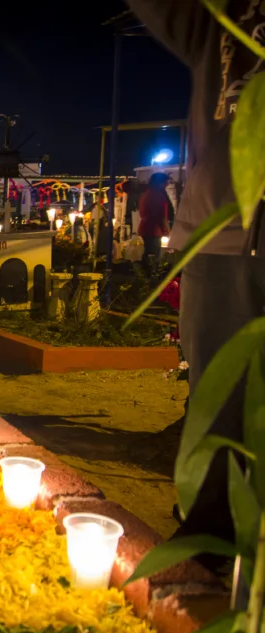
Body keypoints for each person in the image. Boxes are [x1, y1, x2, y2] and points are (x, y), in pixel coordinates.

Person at [126, 0, 265, 552]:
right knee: (219, 394)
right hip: (223, 225)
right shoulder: (223, 12)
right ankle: (209, 542)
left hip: (220, 226)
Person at [138, 173, 172, 272]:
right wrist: (166, 229)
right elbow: (160, 215)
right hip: (153, 229)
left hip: (148, 228)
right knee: (153, 253)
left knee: (149, 251)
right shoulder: (156, 195)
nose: (167, 185)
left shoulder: (148, 193)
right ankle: (150, 274)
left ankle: (146, 272)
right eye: (166, 182)